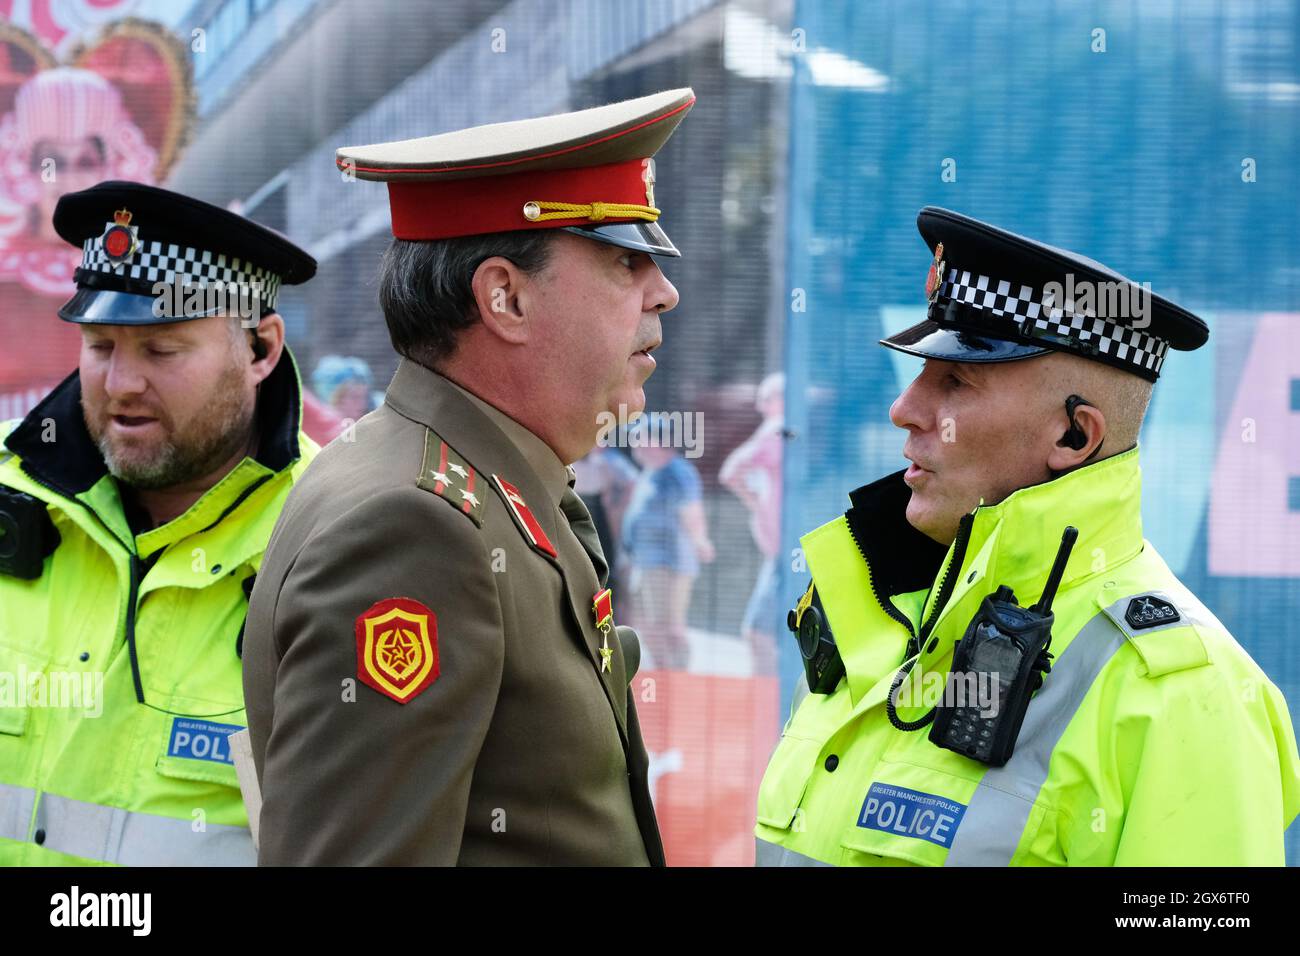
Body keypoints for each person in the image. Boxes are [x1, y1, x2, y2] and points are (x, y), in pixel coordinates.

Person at [755, 206, 1300, 866]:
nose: (905, 409)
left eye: (955, 380)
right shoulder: (888, 608)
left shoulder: (1185, 695)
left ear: (1074, 437)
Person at [242, 88, 695, 865]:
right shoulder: (414, 528)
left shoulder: (472, 480)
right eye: (626, 260)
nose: (664, 291)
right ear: (504, 297)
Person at [0, 180, 318, 865]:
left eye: (162, 350)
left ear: (260, 349)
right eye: (99, 345)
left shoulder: (332, 537)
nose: (120, 384)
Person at [622, 415, 714, 671]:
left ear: (655, 441)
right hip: (647, 563)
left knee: (668, 626)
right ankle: (664, 672)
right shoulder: (651, 473)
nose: (633, 443)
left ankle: (676, 676)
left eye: (638, 437)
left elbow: (692, 512)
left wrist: (699, 541)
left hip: (668, 564)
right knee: (650, 624)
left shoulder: (678, 473)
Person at [719, 372, 784, 676]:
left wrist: (753, 500)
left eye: (765, 399)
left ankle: (770, 695)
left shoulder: (775, 430)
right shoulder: (788, 433)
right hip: (784, 552)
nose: (760, 407)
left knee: (758, 632)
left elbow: (730, 470)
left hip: (783, 555)